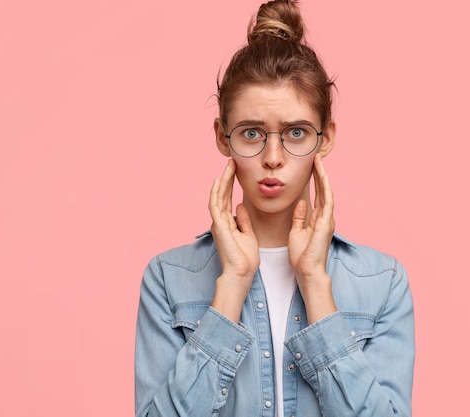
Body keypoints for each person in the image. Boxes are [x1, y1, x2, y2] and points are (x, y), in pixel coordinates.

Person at [134, 1, 415, 416]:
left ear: (327, 137)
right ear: (222, 137)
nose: (272, 157)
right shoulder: (168, 278)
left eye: (296, 132)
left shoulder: (382, 281)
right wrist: (232, 284)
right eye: (251, 133)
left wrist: (316, 284)